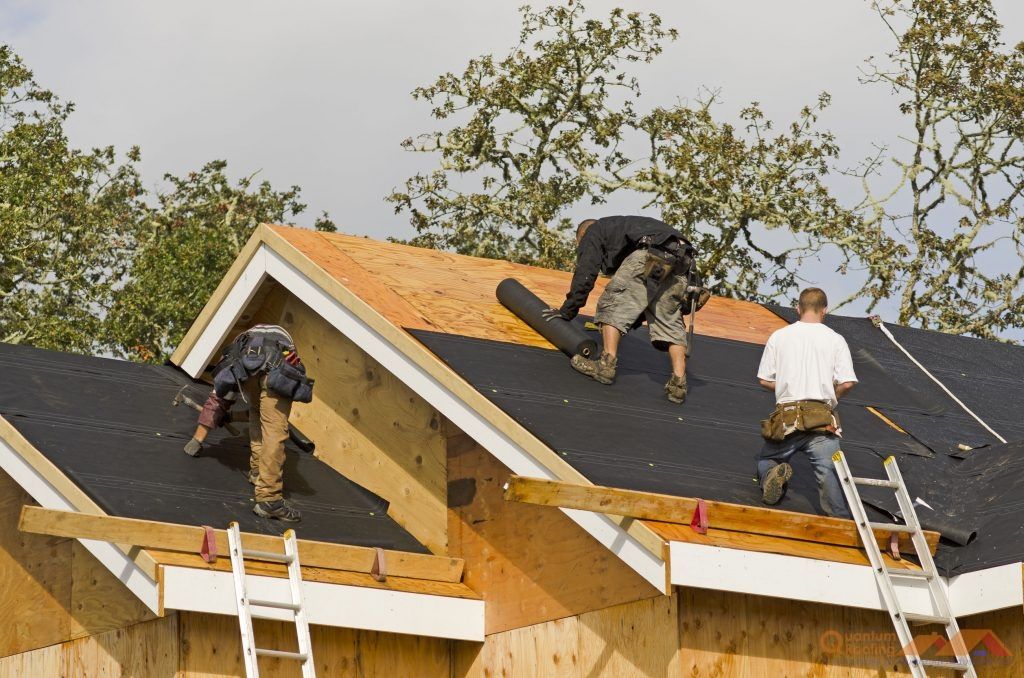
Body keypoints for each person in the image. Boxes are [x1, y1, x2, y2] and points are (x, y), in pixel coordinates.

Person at [544, 215, 708, 404]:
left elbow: (586, 273)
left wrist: (567, 311)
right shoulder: (629, 228)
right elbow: (640, 299)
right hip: (683, 264)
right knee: (670, 322)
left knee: (612, 303)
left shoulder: (594, 230)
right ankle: (679, 385)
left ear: (581, 235)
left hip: (652, 254)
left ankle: (606, 366)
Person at [184, 324, 314, 522]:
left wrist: (197, 440)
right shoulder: (284, 346)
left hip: (252, 369)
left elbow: (217, 400)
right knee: (274, 431)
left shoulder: (240, 352)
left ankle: (256, 472)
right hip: (277, 370)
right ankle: (269, 499)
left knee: (256, 412)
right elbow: (269, 417)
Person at [755, 288, 857, 518]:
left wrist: (785, 388)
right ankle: (839, 520)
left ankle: (771, 473)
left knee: (767, 458)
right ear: (825, 310)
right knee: (828, 471)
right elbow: (848, 383)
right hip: (821, 416)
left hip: (787, 415)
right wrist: (832, 396)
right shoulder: (835, 339)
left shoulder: (780, 336)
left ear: (798, 309)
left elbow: (764, 379)